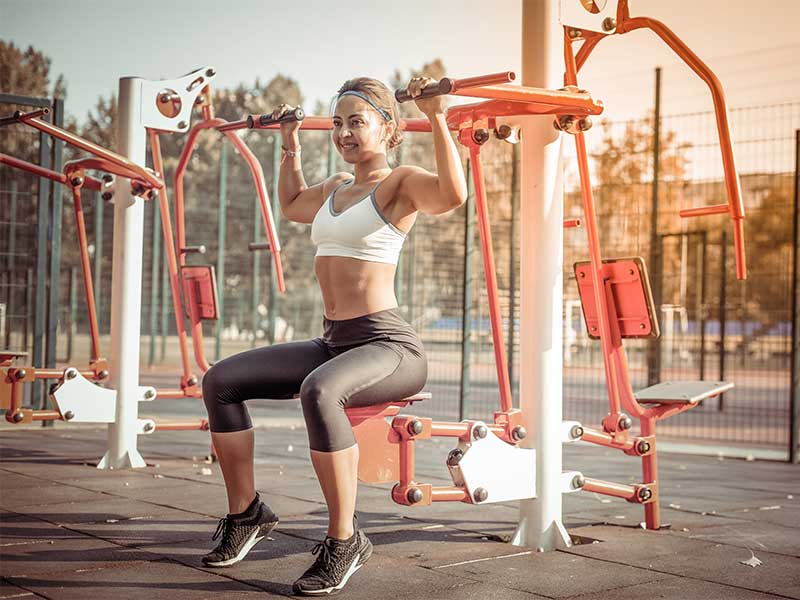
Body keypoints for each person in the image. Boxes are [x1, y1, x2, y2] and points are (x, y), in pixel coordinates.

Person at [201, 75, 467, 595]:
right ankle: (247, 513)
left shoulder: (399, 183)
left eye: (357, 122)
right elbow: (293, 204)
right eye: (338, 123)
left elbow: (453, 195)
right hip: (336, 341)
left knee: (319, 391)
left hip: (390, 346)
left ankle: (344, 540)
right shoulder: (335, 189)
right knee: (220, 381)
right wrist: (289, 140)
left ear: (387, 127)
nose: (344, 132)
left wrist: (437, 114)